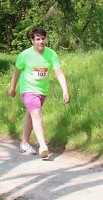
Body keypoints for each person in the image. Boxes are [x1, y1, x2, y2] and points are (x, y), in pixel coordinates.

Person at [8, 27, 70, 160]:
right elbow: (16, 72)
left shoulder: (51, 54)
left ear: (46, 39)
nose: (41, 41)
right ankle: (43, 146)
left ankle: (24, 143)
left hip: (42, 91)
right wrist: (12, 88)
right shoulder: (25, 55)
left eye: (43, 38)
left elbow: (59, 72)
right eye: (37, 39)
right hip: (28, 89)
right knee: (36, 114)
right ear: (32, 41)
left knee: (31, 116)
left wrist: (65, 90)